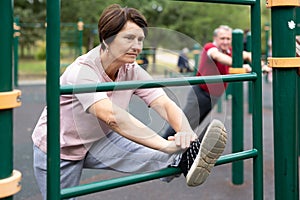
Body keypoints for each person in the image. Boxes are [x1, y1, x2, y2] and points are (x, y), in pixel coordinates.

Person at [32, 4, 227, 199]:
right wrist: (164, 144)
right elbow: (112, 117)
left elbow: (163, 103)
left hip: (99, 139)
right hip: (61, 149)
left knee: (159, 154)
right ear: (106, 39)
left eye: (140, 39)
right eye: (129, 38)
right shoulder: (83, 71)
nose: (137, 47)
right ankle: (177, 156)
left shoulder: (130, 69)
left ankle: (185, 158)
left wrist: (186, 131)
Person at [163, 25, 251, 139]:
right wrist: (242, 66)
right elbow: (218, 56)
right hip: (201, 93)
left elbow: (247, 54)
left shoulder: (230, 51)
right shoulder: (211, 47)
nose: (225, 41)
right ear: (215, 38)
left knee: (193, 125)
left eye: (228, 39)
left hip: (213, 96)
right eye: (222, 38)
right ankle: (160, 145)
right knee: (183, 125)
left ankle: (174, 150)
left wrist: (262, 65)